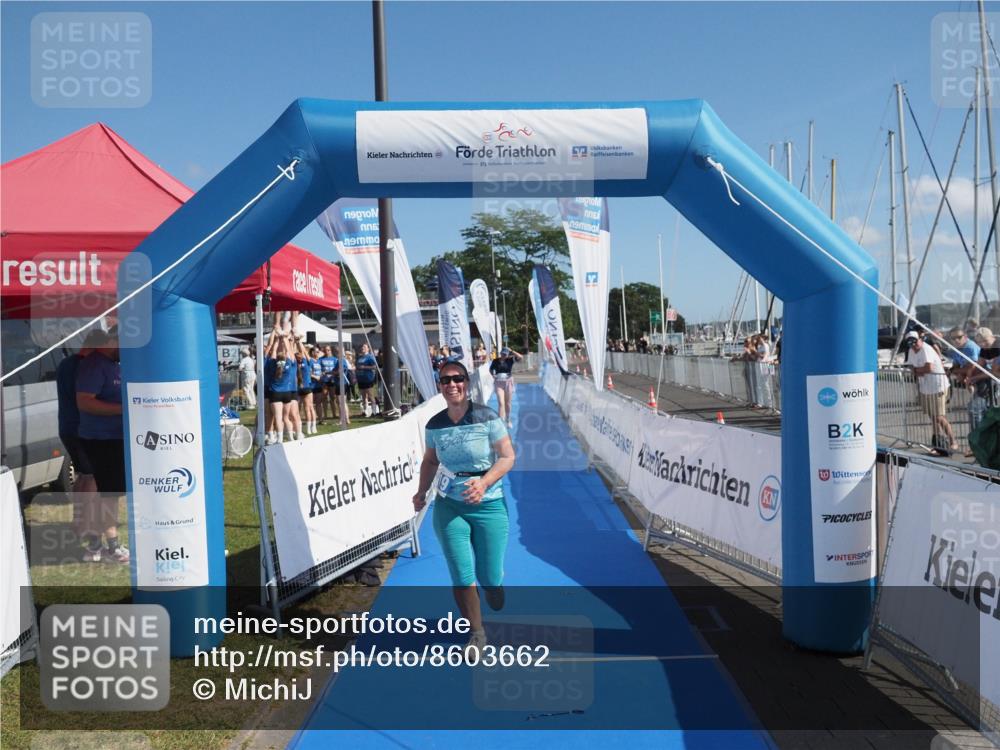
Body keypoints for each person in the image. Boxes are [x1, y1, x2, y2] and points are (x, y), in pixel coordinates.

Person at [412, 361, 516, 658]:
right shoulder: (435, 424)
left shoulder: (486, 416)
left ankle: (494, 585)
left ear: (466, 383)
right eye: (445, 380)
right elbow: (430, 461)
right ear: (439, 386)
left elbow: (507, 457)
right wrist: (421, 491)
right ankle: (477, 633)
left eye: (457, 379)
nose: (452, 385)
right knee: (461, 574)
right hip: (449, 505)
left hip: (489, 505)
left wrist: (483, 483)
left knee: (489, 576)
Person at [75, 328, 129, 563]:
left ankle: (96, 544)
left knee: (107, 493)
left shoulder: (111, 364)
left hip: (111, 438)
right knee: (109, 494)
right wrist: (124, 409)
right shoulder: (94, 365)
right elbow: (85, 402)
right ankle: (112, 547)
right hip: (101, 439)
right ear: (113, 340)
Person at [56, 330, 104, 535]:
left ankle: (77, 521)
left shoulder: (65, 364)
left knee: (83, 475)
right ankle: (86, 525)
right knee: (92, 477)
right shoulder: (87, 367)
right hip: (83, 428)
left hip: (66, 427)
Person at [905, 331, 957, 454]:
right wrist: (918, 371)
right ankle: (938, 444)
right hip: (925, 388)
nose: (914, 345)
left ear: (920, 339)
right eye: (911, 343)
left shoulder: (926, 349)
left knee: (939, 416)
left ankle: (953, 442)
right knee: (933, 417)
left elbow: (929, 368)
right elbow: (911, 367)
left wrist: (917, 371)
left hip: (938, 386)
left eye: (915, 342)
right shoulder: (912, 350)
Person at [489, 347, 523, 428]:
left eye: (505, 354)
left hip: (508, 382)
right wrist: (493, 375)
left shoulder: (510, 360)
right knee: (501, 403)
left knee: (507, 403)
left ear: (508, 354)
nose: (504, 356)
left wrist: (512, 350)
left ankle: (508, 419)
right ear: (500, 353)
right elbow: (491, 369)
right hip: (498, 383)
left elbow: (520, 357)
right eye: (503, 354)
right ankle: (501, 422)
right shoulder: (495, 361)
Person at [356, 343, 379, 417]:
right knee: (363, 396)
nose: (362, 348)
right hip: (361, 379)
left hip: (368, 379)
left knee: (371, 395)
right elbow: (357, 366)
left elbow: (374, 367)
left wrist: (364, 367)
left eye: (364, 347)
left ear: (368, 349)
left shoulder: (370, 357)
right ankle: (365, 411)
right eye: (362, 347)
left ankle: (374, 412)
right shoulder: (360, 357)